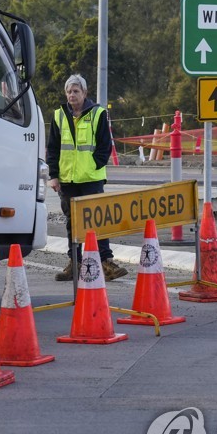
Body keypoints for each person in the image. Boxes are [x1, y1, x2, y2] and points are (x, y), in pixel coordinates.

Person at [46, 73, 128, 282]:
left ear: (84, 93)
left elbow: (105, 146)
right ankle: (75, 262)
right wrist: (53, 176)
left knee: (97, 221)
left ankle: (106, 262)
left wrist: (93, 165)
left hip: (91, 178)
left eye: (76, 91)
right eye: (69, 91)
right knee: (72, 223)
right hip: (67, 180)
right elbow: (53, 148)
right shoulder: (59, 115)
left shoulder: (98, 113)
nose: (72, 95)